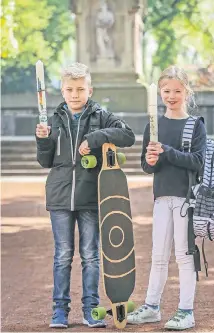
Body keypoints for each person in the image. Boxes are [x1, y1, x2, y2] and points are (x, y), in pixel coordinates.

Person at [35, 62, 135, 329]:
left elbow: (128, 135)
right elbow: (45, 162)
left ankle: (91, 308)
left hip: (91, 197)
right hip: (59, 197)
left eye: (80, 89)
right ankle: (59, 311)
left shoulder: (101, 115)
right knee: (63, 255)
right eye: (69, 89)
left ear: (89, 90)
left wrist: (96, 138)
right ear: (62, 90)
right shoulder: (54, 119)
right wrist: (43, 140)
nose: (75, 94)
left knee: (91, 255)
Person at [127, 65, 206, 330]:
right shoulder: (155, 125)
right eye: (166, 91)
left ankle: (186, 311)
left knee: (184, 255)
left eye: (177, 91)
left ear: (186, 92)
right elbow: (147, 166)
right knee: (158, 256)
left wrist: (167, 151)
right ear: (160, 93)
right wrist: (151, 160)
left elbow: (197, 162)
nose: (171, 96)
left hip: (185, 199)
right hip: (161, 197)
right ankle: (151, 307)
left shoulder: (195, 125)